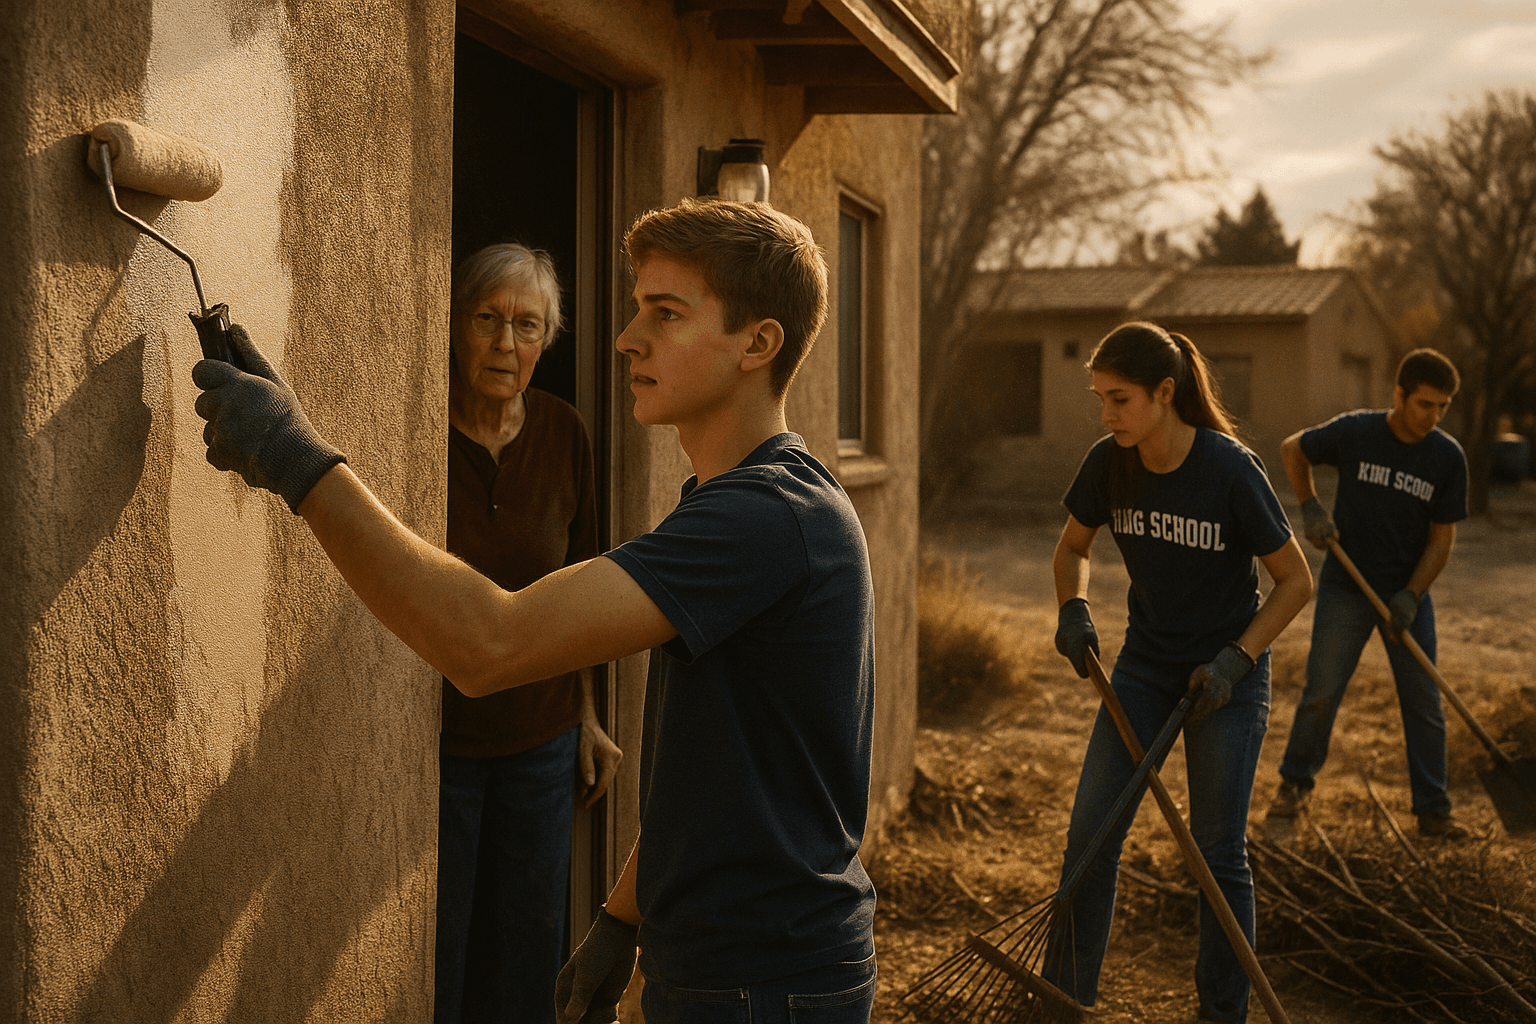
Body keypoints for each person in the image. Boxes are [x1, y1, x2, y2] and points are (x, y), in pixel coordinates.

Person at [191, 197, 878, 1024]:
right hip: (732, 966)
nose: (628, 337)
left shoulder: (767, 517)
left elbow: (488, 643)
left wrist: (295, 458)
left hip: (765, 984)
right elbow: (707, 773)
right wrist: (624, 916)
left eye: (665, 314)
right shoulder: (737, 502)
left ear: (757, 344)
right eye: (637, 310)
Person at [1049, 322, 1312, 1024]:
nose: (1106, 415)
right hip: (1145, 668)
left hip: (1227, 678)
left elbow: (1294, 581)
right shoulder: (1111, 462)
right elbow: (1073, 545)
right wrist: (1073, 606)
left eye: (1120, 399)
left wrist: (1236, 659)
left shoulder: (1229, 470)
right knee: (1091, 841)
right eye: (1100, 398)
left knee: (1218, 854)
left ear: (1165, 394)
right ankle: (1060, 1000)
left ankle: (1220, 1013)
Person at [435, 243, 622, 1024]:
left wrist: (586, 716)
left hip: (542, 741)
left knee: (527, 952)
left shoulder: (564, 432)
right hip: (438, 741)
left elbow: (582, 587)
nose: (505, 344)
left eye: (526, 325)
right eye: (488, 319)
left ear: (547, 339)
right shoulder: (419, 428)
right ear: (455, 324)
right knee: (436, 951)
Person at [1266, 348, 1469, 839]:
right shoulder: (1357, 432)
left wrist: (1412, 595)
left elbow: (1441, 541)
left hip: (1406, 594)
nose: (1433, 416)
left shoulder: (1446, 458)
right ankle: (1293, 790)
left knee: (1423, 700)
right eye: (1425, 404)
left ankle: (1433, 811)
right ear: (1398, 395)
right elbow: (1293, 448)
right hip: (1347, 586)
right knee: (1322, 691)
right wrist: (1310, 506)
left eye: (1441, 407)